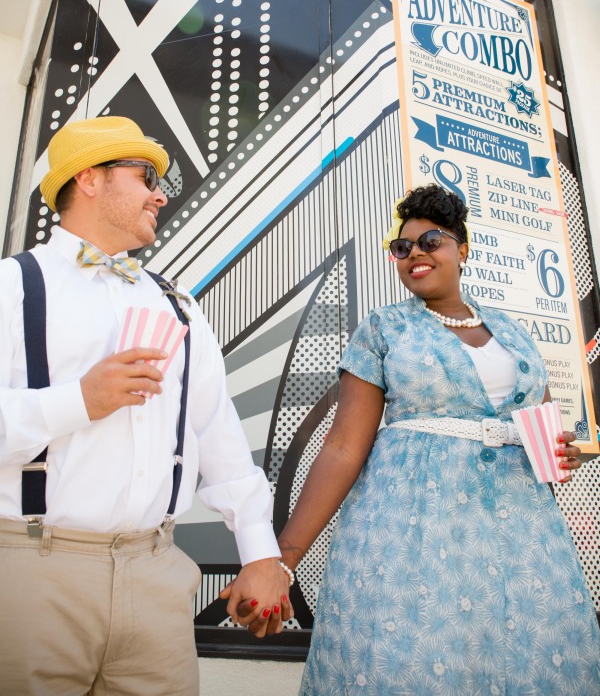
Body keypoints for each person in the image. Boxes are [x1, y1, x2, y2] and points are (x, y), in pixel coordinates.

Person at [0, 115, 292, 696]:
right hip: (31, 571)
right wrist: (78, 401)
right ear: (89, 178)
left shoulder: (176, 304)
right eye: (145, 177)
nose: (160, 195)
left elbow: (217, 430)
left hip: (157, 573)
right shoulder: (12, 287)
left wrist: (260, 553)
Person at [277, 183, 600, 694]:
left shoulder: (512, 332)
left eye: (431, 241)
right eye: (402, 247)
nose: (415, 254)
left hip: (518, 528)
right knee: (417, 653)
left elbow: (541, 423)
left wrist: (564, 452)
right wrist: (284, 560)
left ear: (462, 249)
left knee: (521, 654)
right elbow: (342, 447)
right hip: (411, 527)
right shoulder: (384, 329)